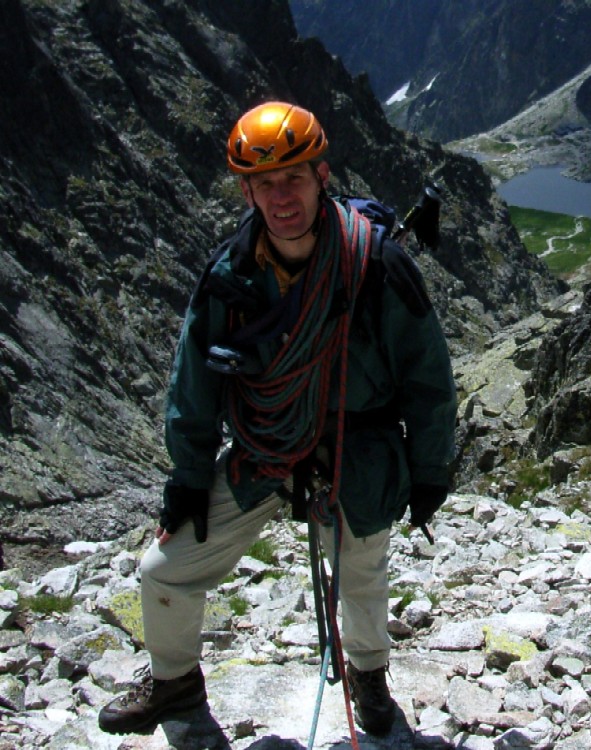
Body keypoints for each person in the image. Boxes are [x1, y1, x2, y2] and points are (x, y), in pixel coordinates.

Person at [98, 101, 457, 737]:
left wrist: (430, 472)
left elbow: (427, 379)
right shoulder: (230, 277)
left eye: (292, 177)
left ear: (322, 175)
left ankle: (370, 681)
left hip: (359, 446)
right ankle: (175, 683)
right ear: (246, 190)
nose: (280, 195)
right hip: (266, 448)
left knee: (362, 572)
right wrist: (185, 482)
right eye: (264, 183)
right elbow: (195, 386)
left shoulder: (377, 264)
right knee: (164, 570)